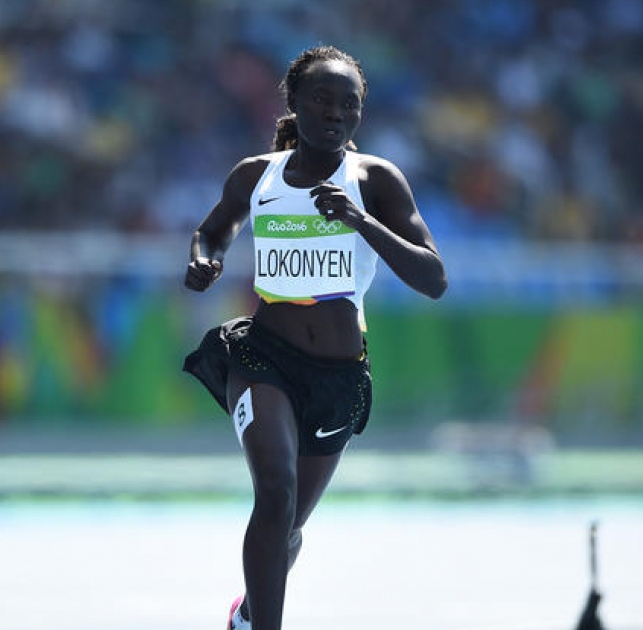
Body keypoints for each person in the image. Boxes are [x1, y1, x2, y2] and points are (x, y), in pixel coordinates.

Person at [181, 45, 447, 630]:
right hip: (262, 356)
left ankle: (249, 612)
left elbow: (433, 278)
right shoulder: (257, 175)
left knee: (290, 525)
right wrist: (206, 260)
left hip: (337, 377)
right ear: (295, 105)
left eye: (348, 104)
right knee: (274, 493)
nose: (334, 112)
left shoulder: (375, 180)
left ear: (359, 114)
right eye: (321, 100)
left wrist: (360, 220)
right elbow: (213, 231)